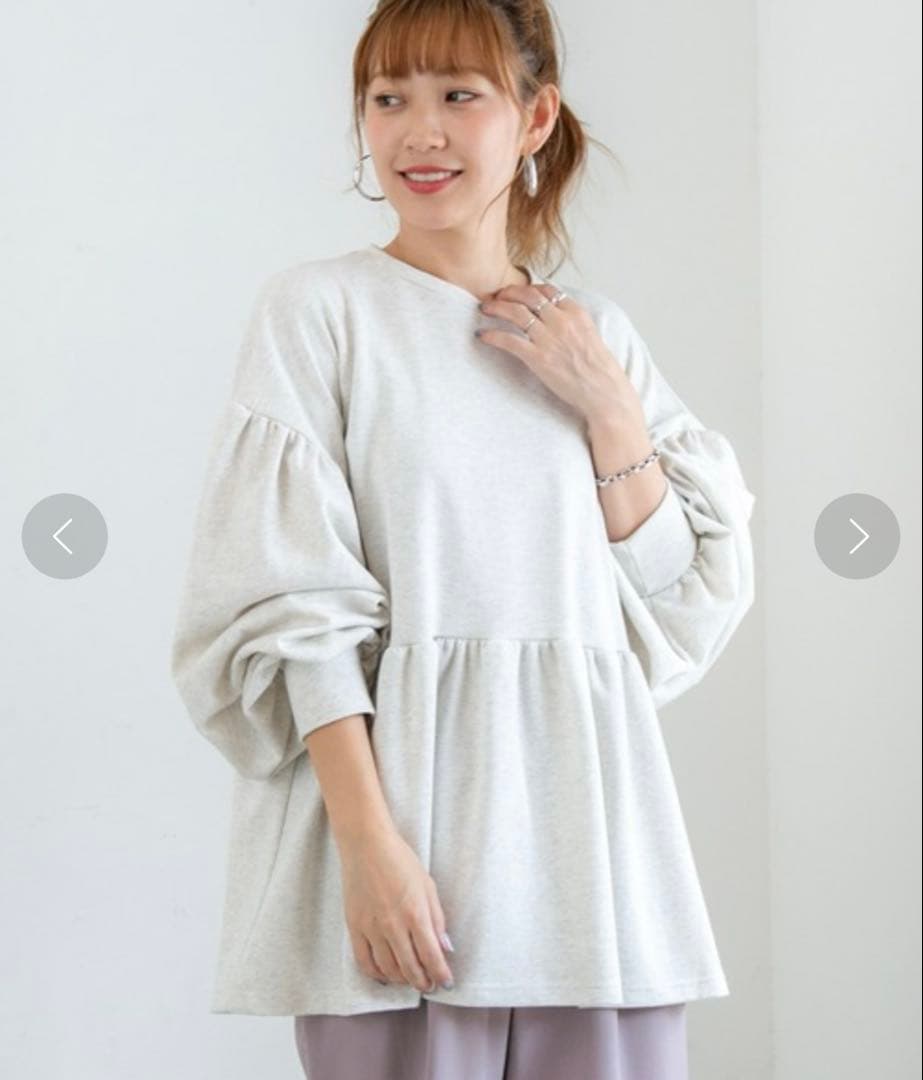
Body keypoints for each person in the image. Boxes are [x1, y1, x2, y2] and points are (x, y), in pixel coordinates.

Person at [170, 1, 757, 1077]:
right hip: (406, 863)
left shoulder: (596, 336)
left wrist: (609, 411)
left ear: (534, 118)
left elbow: (678, 606)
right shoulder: (321, 312)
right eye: (387, 98)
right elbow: (290, 607)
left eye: (458, 95)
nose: (418, 132)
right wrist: (368, 849)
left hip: (595, 870)